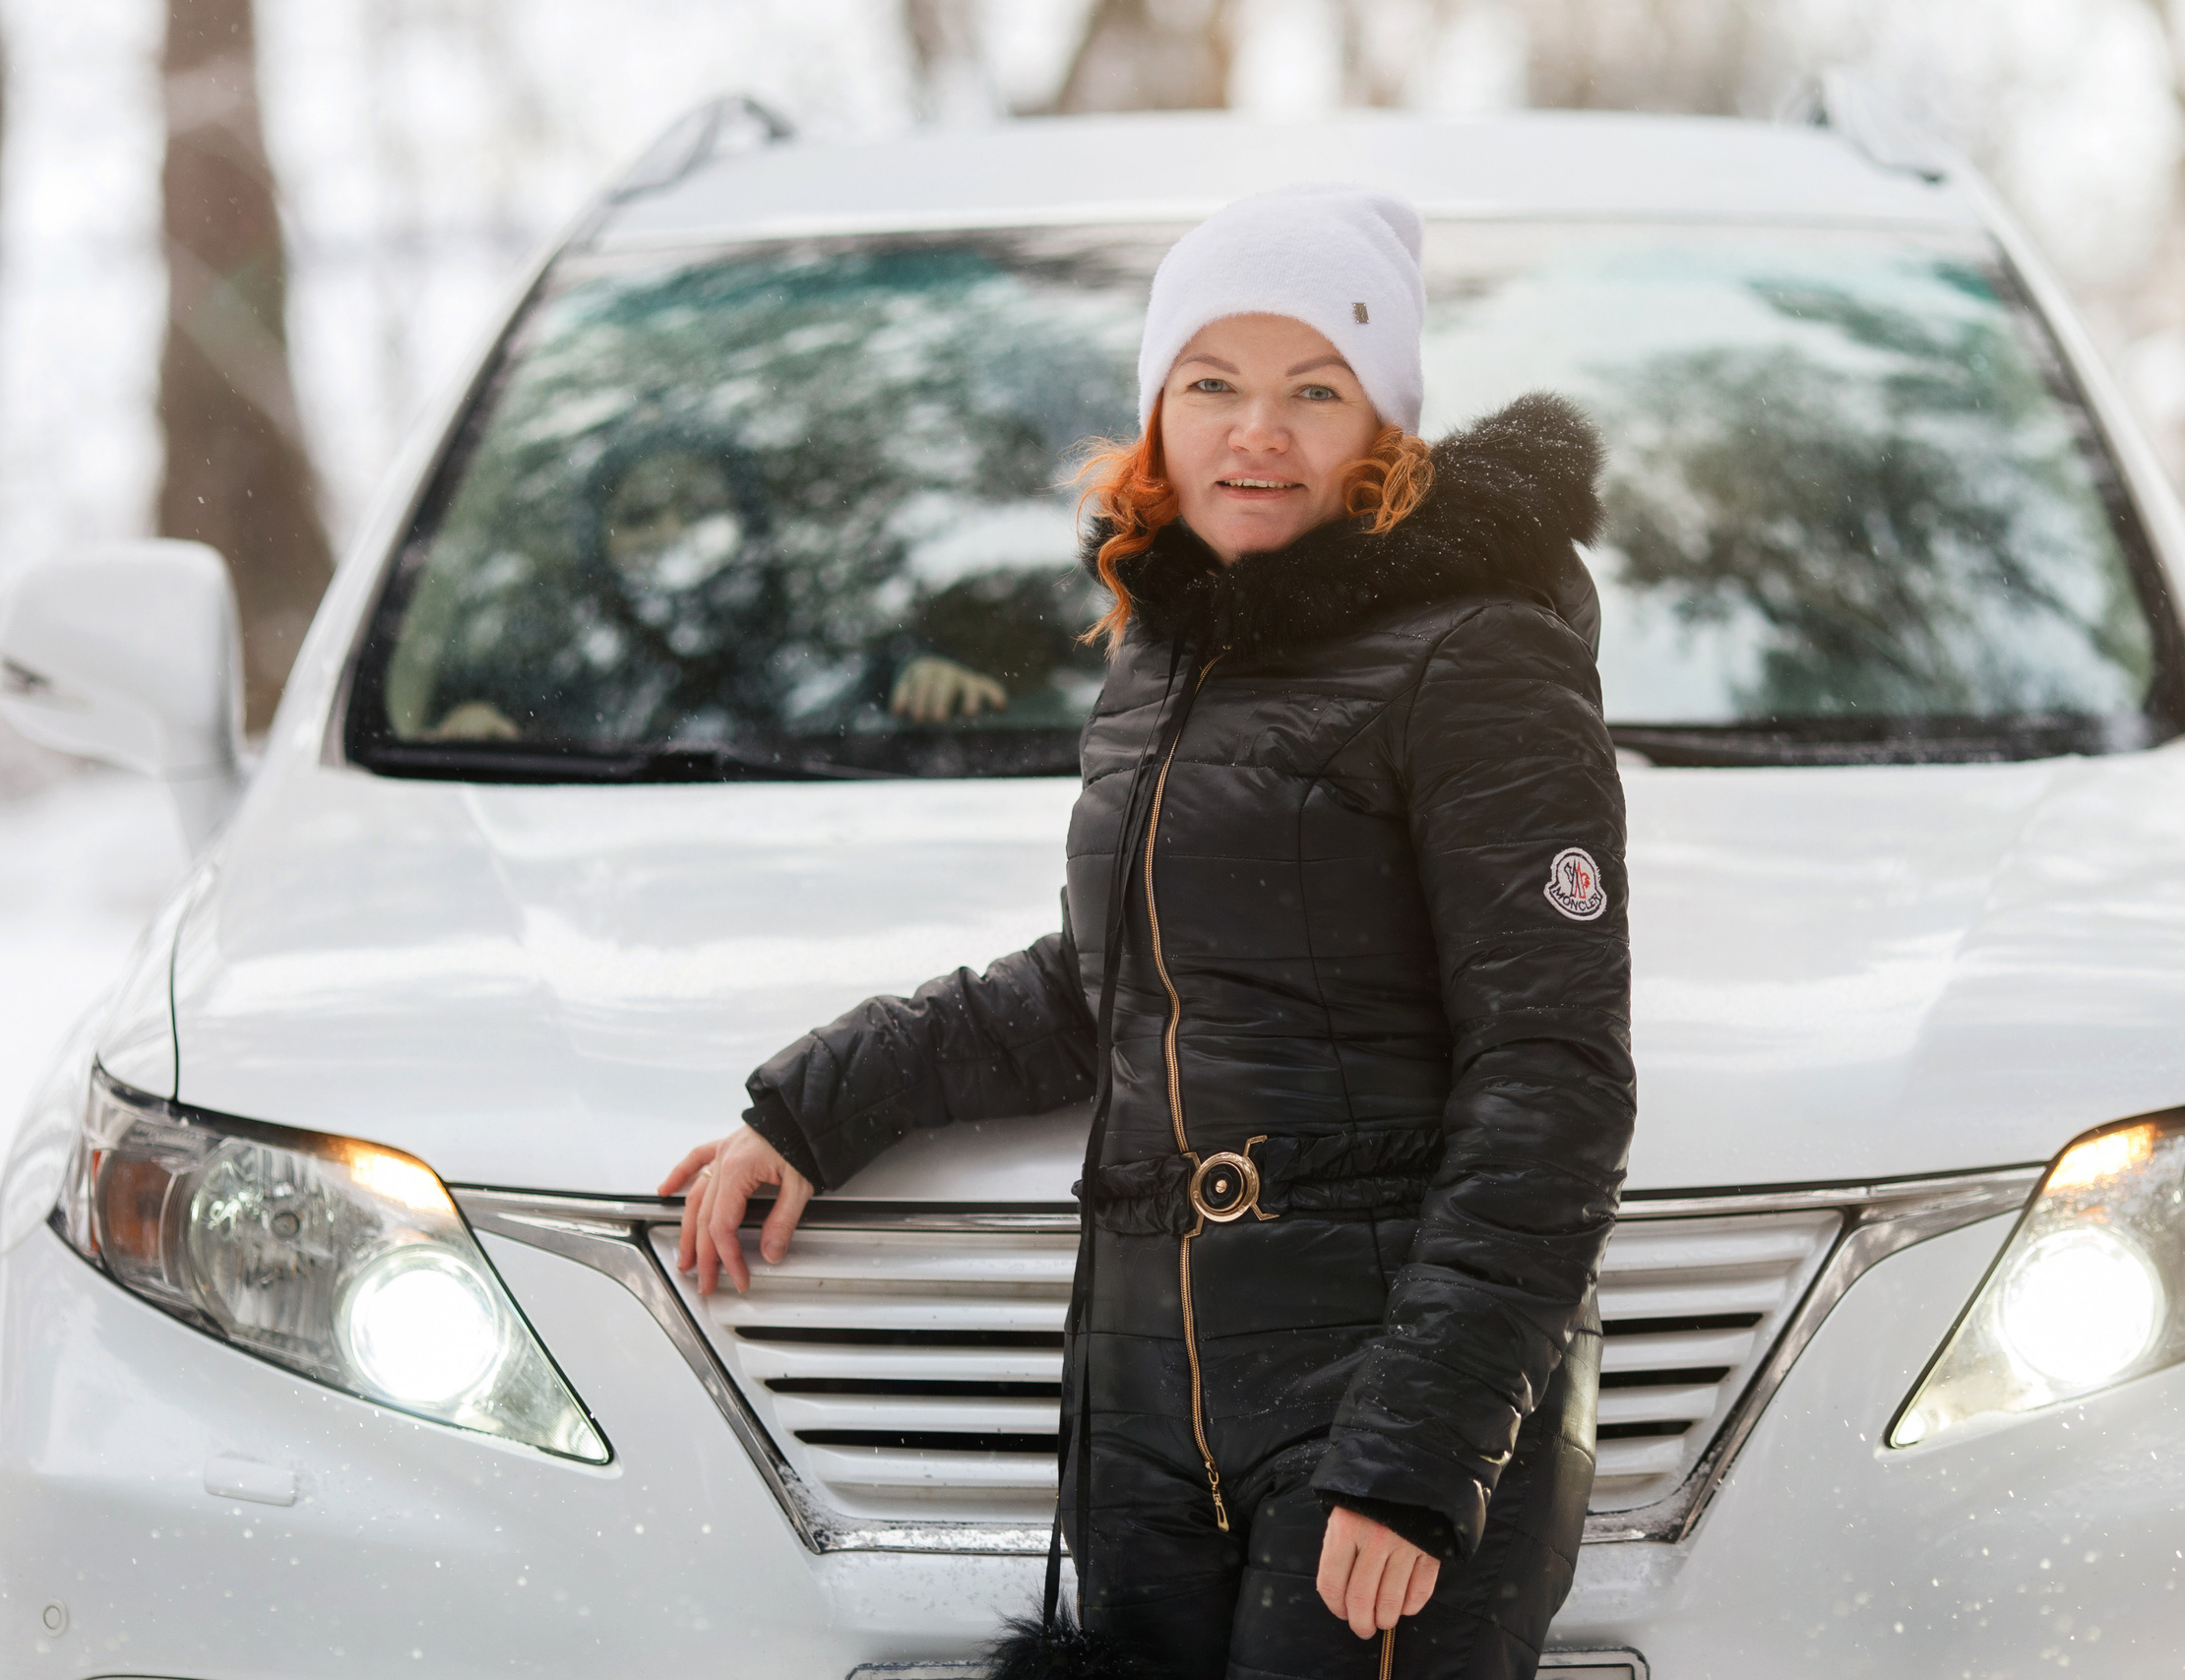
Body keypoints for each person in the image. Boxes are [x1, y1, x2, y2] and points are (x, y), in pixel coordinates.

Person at [660, 184, 1634, 1680]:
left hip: (1371, 1380)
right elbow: (1105, 984)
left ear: (1385, 425)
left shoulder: (1478, 652)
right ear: (1157, 414)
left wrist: (1415, 1448)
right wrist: (810, 1109)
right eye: (1213, 383)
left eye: (1316, 390)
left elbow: (1553, 1079)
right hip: (1155, 1395)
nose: (1259, 430)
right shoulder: (1172, 652)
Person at [426, 424, 1007, 742]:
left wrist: (923, 674)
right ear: (597, 551)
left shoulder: (828, 654)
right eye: (637, 517)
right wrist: (473, 723)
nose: (672, 533)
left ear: (750, 526)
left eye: (701, 508)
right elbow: (491, 711)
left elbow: (868, 677)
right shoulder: (559, 680)